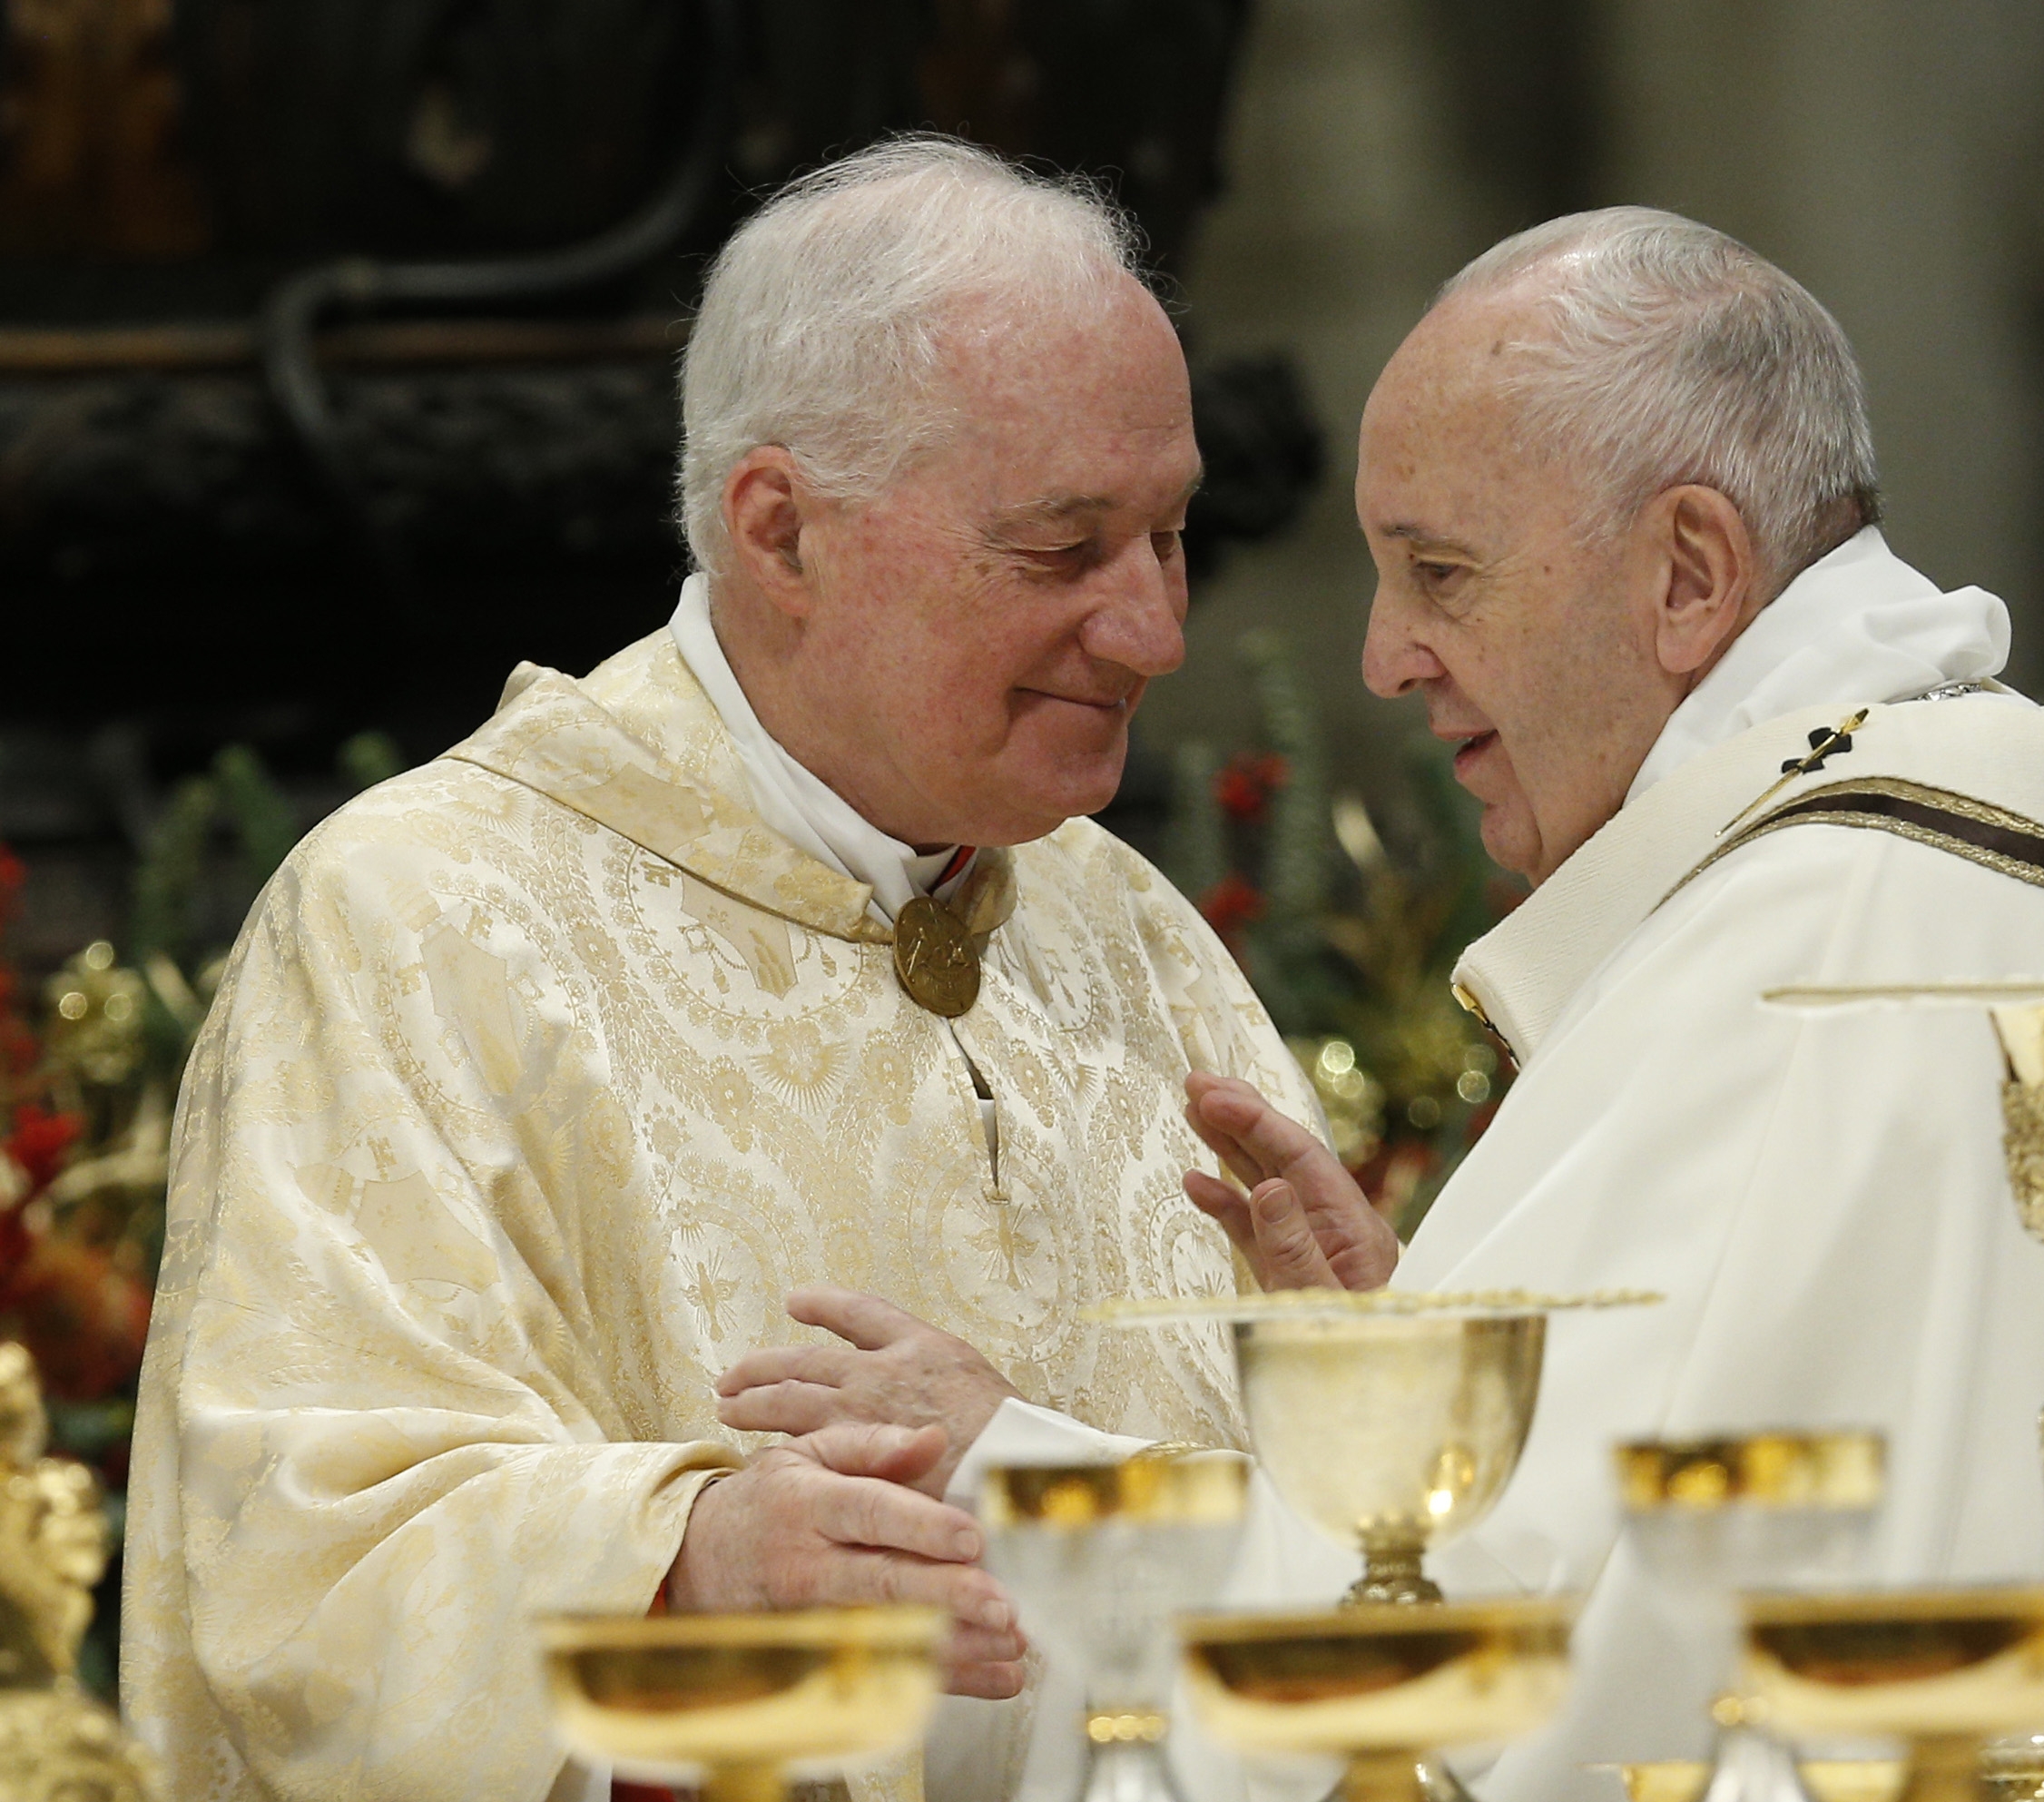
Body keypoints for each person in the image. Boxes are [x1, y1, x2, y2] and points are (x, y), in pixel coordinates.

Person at [739, 207, 2044, 1801]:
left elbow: (1464, 1662)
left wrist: (1008, 1478)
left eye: (1441, 574)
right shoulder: (2025, 876)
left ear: (1691, 573)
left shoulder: (1810, 945)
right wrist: (1414, 1379)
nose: (1384, 657)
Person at [121, 138, 1317, 1802]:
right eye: (1063, 550)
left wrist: (1355, 1375)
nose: (1154, 632)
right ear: (783, 533)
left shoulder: (1129, 932)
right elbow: (292, 1568)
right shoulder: (422, 924)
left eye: (1171, 539)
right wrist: (681, 1565)